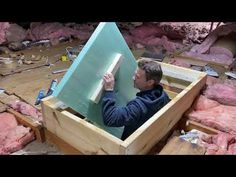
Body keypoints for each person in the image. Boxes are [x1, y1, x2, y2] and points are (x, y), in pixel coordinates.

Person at [102, 58, 170, 140]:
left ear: (150, 82)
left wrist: (109, 90)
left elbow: (110, 119)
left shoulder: (139, 108)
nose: (133, 78)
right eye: (134, 74)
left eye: (137, 77)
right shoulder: (163, 95)